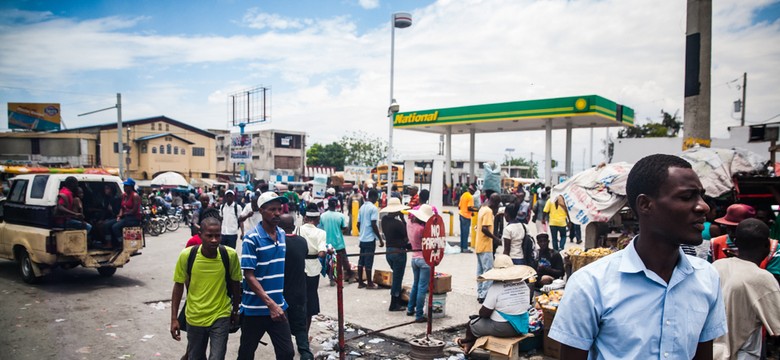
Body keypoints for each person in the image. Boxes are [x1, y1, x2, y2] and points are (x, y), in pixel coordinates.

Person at [549, 154, 727, 359]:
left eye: (701, 196)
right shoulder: (590, 284)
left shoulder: (707, 278)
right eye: (687, 197)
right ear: (645, 205)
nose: (703, 206)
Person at [170, 215, 242, 360]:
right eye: (209, 236)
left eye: (217, 235)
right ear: (200, 235)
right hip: (195, 317)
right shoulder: (187, 255)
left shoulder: (229, 255)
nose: (214, 240)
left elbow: (236, 284)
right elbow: (178, 287)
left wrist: (235, 310)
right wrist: (174, 319)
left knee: (217, 357)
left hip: (220, 315)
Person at [237, 191, 294, 360]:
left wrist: (278, 304)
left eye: (279, 209)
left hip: (278, 306)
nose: (277, 213)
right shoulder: (251, 239)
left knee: (287, 353)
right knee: (246, 353)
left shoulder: (282, 235)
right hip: (255, 309)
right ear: (261, 211)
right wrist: (270, 305)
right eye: (272, 209)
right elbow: (248, 275)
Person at [712, 218, 780, 359]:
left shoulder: (716, 266)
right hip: (740, 354)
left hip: (709, 352)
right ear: (767, 245)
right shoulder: (762, 278)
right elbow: (777, 327)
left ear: (735, 242)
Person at [456, 254, 536, 353]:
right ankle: (469, 343)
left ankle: (468, 342)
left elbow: (484, 313)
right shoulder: (523, 284)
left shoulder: (496, 287)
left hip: (503, 328)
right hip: (522, 325)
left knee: (471, 324)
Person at [279, 214, 314, 360]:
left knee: (283, 332)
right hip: (299, 293)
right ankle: (306, 355)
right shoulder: (301, 242)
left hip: (282, 294)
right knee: (301, 330)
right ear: (294, 226)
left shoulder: (278, 244)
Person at [297, 203, 327, 329]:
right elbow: (321, 253)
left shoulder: (298, 229)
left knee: (298, 300)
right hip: (313, 270)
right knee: (310, 303)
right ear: (318, 220)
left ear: (305, 218)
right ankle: (305, 333)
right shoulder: (321, 233)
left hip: (298, 267)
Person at [380, 197, 410, 311]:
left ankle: (396, 299)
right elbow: (406, 236)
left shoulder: (384, 220)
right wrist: (403, 219)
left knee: (396, 276)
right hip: (398, 252)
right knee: (398, 278)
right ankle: (394, 303)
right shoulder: (398, 223)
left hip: (389, 251)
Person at [406, 204, 434, 323]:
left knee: (415, 285)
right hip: (424, 260)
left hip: (414, 258)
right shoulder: (423, 229)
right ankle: (419, 315)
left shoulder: (410, 224)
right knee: (422, 288)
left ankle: (410, 308)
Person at [320, 197, 354, 284]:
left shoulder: (323, 216)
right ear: (336, 205)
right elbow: (345, 228)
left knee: (330, 261)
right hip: (339, 242)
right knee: (344, 260)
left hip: (327, 243)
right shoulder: (340, 216)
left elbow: (320, 228)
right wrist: (339, 231)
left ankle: (332, 279)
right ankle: (349, 276)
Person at [475, 193, 501, 303]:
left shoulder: (482, 208)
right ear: (495, 202)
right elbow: (484, 229)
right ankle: (485, 295)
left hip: (479, 245)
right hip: (486, 246)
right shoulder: (489, 212)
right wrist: (496, 239)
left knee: (480, 271)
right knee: (488, 271)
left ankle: (480, 293)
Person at [103, 179, 141, 248]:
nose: (124, 187)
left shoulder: (135, 196)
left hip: (133, 218)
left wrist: (123, 214)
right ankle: (109, 243)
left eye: (126, 186)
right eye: (124, 186)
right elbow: (122, 207)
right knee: (106, 225)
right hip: (125, 217)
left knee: (115, 227)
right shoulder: (124, 195)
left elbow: (134, 210)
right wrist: (119, 215)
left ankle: (121, 243)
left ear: (131, 187)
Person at [357, 189, 383, 289]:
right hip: (369, 239)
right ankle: (369, 283)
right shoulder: (373, 208)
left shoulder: (362, 207)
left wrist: (362, 231)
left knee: (361, 261)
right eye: (377, 197)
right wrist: (380, 238)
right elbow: (373, 224)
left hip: (362, 238)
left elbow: (358, 224)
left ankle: (360, 282)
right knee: (369, 261)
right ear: (373, 197)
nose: (377, 199)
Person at [458, 184, 477, 253]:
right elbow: (469, 207)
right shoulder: (470, 197)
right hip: (466, 217)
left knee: (462, 233)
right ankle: (465, 248)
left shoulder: (463, 195)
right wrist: (477, 209)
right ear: (472, 191)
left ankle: (462, 247)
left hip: (461, 215)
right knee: (466, 233)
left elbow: (459, 206)